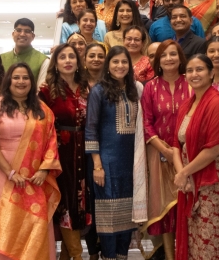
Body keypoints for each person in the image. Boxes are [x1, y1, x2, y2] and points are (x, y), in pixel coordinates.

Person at [0, 63, 61, 260]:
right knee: (0, 221)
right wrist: (10, 172)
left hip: (34, 176)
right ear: (8, 81)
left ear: (32, 81)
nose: (21, 82)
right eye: (16, 77)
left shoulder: (42, 109)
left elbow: (51, 142)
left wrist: (44, 170)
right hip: (3, 173)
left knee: (33, 223)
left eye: (25, 77)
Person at [171, 54, 219, 260]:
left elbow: (214, 149)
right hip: (189, 179)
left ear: (211, 74)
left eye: (199, 69)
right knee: (194, 236)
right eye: (190, 70)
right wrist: (183, 176)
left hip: (213, 180)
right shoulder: (186, 105)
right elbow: (176, 145)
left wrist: (185, 173)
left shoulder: (218, 104)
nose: (194, 74)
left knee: (213, 237)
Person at [85, 46, 148, 260]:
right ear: (108, 65)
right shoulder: (98, 91)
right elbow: (91, 128)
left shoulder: (134, 90)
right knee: (108, 218)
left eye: (124, 62)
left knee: (127, 218)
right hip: (107, 164)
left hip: (131, 164)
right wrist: (97, 166)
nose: (120, 66)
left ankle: (122, 256)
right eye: (115, 62)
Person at [37, 44, 92, 260]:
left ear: (78, 62)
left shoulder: (86, 87)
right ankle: (77, 256)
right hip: (60, 153)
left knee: (80, 205)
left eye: (72, 56)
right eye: (62, 57)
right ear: (56, 63)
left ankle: (67, 256)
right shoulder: (46, 90)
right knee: (66, 203)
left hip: (85, 152)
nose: (68, 60)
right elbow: (40, 127)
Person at [141, 40, 191, 260]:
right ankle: (171, 257)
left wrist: (179, 152)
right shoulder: (150, 87)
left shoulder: (191, 83)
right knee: (166, 210)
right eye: (164, 55)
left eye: (173, 54)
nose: (169, 58)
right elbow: (146, 122)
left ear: (181, 58)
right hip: (158, 155)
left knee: (185, 206)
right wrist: (165, 150)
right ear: (158, 61)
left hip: (190, 155)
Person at [1, 18, 50, 85]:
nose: (22, 34)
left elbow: (41, 90)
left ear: (33, 36)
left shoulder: (43, 60)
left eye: (27, 31)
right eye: (18, 30)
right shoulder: (1, 58)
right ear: (13, 34)